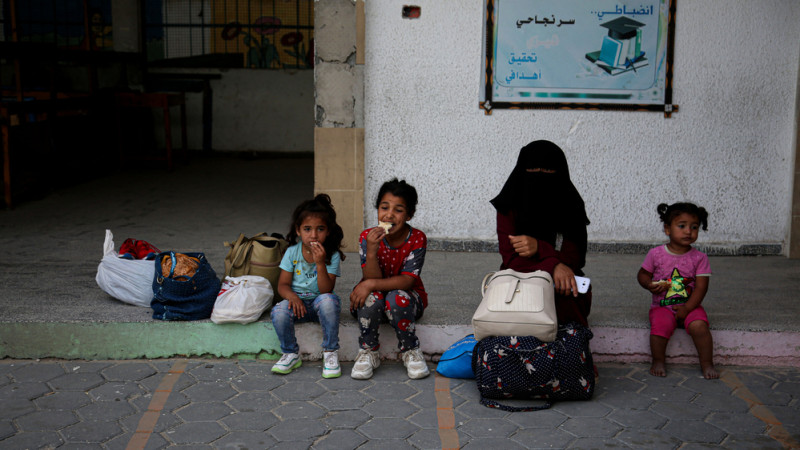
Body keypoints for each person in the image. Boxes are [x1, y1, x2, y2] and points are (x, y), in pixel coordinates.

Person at [490, 140, 592, 327]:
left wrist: (539, 248)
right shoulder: (509, 204)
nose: (540, 176)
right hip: (520, 277)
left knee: (568, 296)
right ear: (522, 170)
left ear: (559, 172)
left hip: (563, 278)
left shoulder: (571, 206)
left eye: (548, 171)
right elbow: (511, 259)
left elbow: (574, 257)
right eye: (533, 169)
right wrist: (553, 265)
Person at [349, 178, 430, 380]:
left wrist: (370, 284)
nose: (389, 214)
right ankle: (368, 351)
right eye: (384, 207)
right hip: (375, 300)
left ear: (409, 214)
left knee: (396, 297)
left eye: (398, 210)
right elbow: (371, 278)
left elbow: (407, 281)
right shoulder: (366, 237)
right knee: (370, 297)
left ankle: (410, 350)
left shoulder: (417, 238)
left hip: (406, 300)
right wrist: (372, 251)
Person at [637, 202, 718, 379]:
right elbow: (642, 274)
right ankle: (658, 360)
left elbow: (701, 287)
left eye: (694, 227)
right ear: (667, 229)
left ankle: (707, 363)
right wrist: (648, 284)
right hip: (662, 306)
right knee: (660, 327)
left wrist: (688, 308)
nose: (688, 231)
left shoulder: (700, 258)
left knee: (700, 327)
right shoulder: (656, 254)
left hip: (691, 305)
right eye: (682, 226)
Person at [270, 194, 345, 378]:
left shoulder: (331, 255)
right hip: (297, 305)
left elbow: (326, 289)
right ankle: (290, 353)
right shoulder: (291, 252)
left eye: (320, 229)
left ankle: (330, 352)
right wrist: (292, 297)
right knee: (279, 311)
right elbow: (283, 285)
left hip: (320, 302)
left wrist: (320, 263)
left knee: (328, 300)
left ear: (328, 231)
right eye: (307, 229)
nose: (313, 235)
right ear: (298, 230)